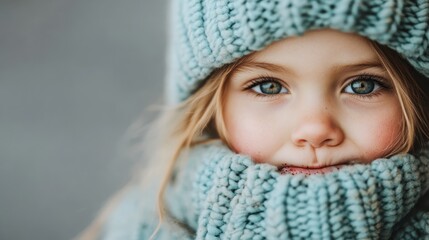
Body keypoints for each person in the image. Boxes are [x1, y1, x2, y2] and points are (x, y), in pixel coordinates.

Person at [79, 0, 429, 239]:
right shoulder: (144, 228)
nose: (315, 129)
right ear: (211, 106)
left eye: (362, 85)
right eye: (268, 86)